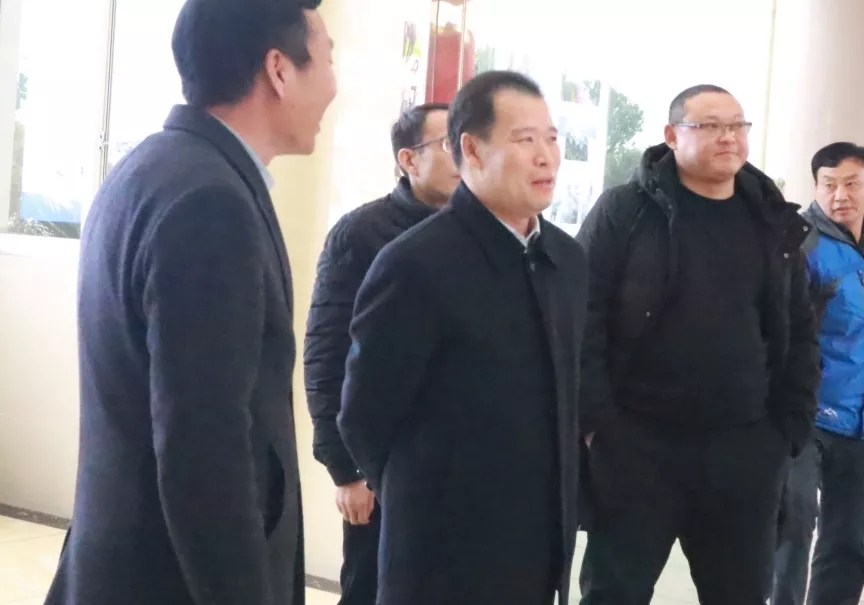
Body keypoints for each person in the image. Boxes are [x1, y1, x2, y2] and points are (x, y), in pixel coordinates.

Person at [44, 1, 336, 604]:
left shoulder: (150, 168)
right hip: (171, 582)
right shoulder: (211, 203)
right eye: (329, 58)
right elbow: (203, 450)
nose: (335, 84)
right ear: (279, 70)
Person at [337, 70, 587, 605]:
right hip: (441, 555)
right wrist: (422, 493)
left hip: (538, 548)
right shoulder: (415, 263)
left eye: (551, 138)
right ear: (470, 149)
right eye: (525, 140)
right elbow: (365, 415)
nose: (546, 157)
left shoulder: (565, 261)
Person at [575, 84, 820, 605]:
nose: (728, 137)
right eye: (709, 126)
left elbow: (799, 327)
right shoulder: (627, 209)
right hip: (637, 445)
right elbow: (581, 315)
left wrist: (788, 430)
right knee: (615, 592)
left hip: (745, 448)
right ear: (672, 136)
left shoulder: (769, 218)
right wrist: (599, 425)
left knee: (741, 593)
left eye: (737, 125)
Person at [303, 102, 458, 605]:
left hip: (461, 468)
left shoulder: (487, 235)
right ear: (409, 159)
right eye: (449, 143)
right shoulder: (362, 233)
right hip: (382, 464)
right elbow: (327, 353)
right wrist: (345, 469)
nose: (465, 153)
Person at [771, 142, 864, 605]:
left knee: (847, 540)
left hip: (863, 419)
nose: (840, 194)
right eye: (829, 184)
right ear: (816, 187)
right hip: (806, 412)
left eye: (850, 183)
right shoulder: (799, 245)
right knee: (794, 522)